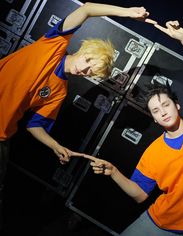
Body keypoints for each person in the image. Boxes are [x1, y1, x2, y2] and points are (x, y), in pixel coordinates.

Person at [0, 2, 156, 231]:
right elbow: (87, 9)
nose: (85, 71)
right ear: (84, 51)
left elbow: (35, 125)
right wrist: (128, 13)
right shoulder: (53, 43)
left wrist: (55, 145)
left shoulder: (59, 92)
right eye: (88, 62)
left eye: (92, 73)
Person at [79, 20, 183, 235]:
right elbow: (140, 194)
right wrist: (113, 172)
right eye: (156, 110)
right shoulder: (153, 153)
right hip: (158, 224)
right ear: (155, 120)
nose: (163, 112)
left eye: (165, 105)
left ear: (177, 106)